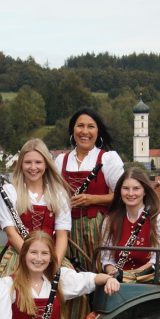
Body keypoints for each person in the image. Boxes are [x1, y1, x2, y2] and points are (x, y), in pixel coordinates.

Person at [54, 107, 125, 268]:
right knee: (69, 272)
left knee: (97, 269)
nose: (85, 131)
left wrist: (92, 199)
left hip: (98, 228)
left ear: (98, 132)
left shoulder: (108, 159)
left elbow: (123, 196)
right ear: (73, 130)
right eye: (80, 126)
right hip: (66, 228)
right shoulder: (61, 160)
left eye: (91, 126)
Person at [0, 138, 72, 276]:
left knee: (69, 283)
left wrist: (53, 265)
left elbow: (62, 236)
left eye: (38, 162)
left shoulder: (58, 194)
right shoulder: (10, 191)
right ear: (20, 164)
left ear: (46, 164)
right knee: (11, 286)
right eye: (27, 162)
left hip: (50, 256)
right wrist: (32, 259)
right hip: (19, 253)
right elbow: (11, 234)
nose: (33, 167)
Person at [99, 167, 160, 278]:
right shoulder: (110, 220)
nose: (130, 193)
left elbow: (158, 258)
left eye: (136, 189)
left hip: (149, 279)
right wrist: (116, 275)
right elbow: (106, 259)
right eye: (126, 188)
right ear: (120, 191)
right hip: (117, 279)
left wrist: (130, 276)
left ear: (145, 191)